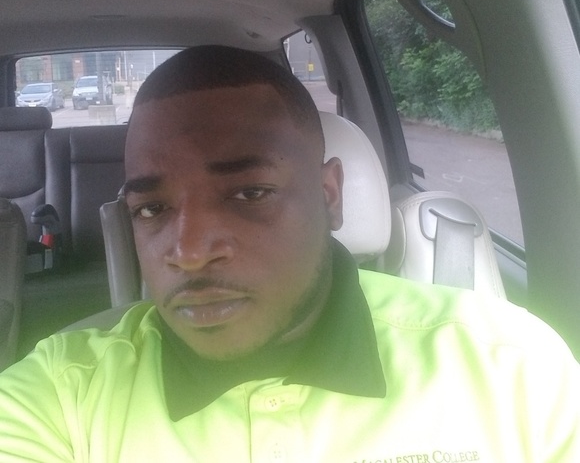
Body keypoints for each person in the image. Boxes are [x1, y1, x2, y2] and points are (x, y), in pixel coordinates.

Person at [0, 45, 579, 462]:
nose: (189, 253)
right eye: (151, 209)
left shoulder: (512, 368)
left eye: (250, 194)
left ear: (329, 197)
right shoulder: (63, 395)